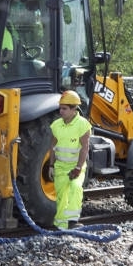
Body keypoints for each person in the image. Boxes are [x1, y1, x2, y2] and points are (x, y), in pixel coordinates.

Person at [47, 90, 91, 229]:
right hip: (60, 167)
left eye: (64, 109)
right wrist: (51, 166)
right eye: (60, 108)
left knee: (75, 188)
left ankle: (73, 222)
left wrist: (78, 168)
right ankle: (60, 225)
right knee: (61, 196)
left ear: (74, 109)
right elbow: (52, 147)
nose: (61, 111)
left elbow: (85, 148)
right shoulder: (56, 125)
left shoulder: (83, 125)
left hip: (75, 166)